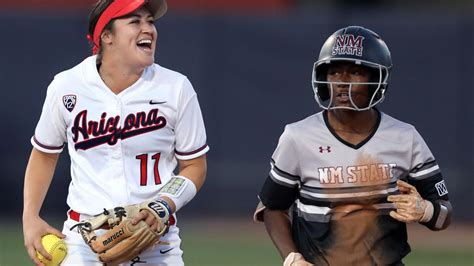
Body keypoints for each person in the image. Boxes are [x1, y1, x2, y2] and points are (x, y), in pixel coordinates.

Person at [22, 0, 209, 265]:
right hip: (83, 241)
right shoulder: (67, 86)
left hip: (156, 242)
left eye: (150, 22)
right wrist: (30, 217)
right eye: (135, 21)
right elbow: (44, 154)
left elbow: (194, 165)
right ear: (106, 36)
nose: (148, 29)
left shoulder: (176, 88)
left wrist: (163, 205)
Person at [253, 25, 452, 266]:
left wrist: (425, 211)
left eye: (355, 73)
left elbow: (443, 215)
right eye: (334, 72)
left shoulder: (404, 137)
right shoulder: (298, 137)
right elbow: (273, 208)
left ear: (377, 79)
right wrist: (292, 258)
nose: (342, 82)